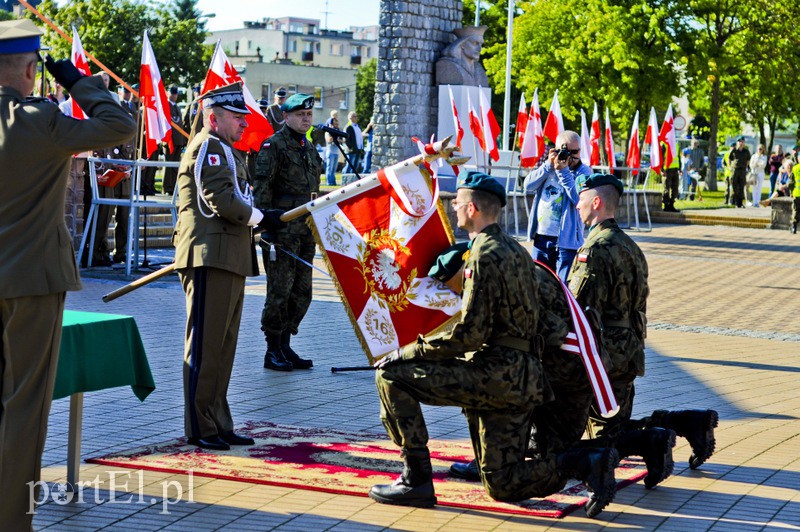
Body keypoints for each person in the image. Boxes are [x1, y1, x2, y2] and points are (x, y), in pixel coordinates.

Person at [369, 171, 619, 518]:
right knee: (503, 483)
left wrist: (408, 351)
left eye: (456, 202)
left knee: (392, 376)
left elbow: (470, 333)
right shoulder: (516, 251)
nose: (453, 206)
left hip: (496, 374)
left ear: (472, 209)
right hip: (524, 378)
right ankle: (584, 462)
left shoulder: (483, 254)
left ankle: (416, 480)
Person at [0, 19, 136, 529]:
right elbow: (119, 125)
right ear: (33, 70)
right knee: (24, 407)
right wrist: (77, 80)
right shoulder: (41, 120)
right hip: (32, 280)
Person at [569, 173, 718, 474]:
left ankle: (655, 439)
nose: (577, 206)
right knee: (614, 423)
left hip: (603, 354)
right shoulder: (631, 247)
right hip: (629, 349)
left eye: (581, 200)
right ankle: (690, 422)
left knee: (598, 439)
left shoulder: (594, 250)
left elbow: (580, 308)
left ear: (596, 202)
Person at [173, 82, 286, 451]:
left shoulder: (226, 148)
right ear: (213, 117)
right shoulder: (209, 145)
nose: (243, 123)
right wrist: (259, 217)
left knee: (223, 347)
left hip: (228, 256)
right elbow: (220, 198)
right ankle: (199, 426)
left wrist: (258, 217)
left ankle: (218, 421)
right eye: (236, 117)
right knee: (206, 347)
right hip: (209, 256)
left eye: (243, 117)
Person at [254, 93, 323, 371]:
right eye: (300, 115)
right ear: (286, 116)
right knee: (279, 291)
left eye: (309, 115)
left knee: (302, 291)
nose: (306, 119)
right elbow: (262, 188)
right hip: (281, 230)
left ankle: (286, 344)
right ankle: (272, 350)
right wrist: (266, 225)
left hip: (306, 230)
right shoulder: (274, 145)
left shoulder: (309, 146)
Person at [522, 130, 591, 282]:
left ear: (580, 151)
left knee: (563, 287)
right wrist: (548, 165)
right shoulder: (549, 168)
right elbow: (527, 186)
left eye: (575, 151)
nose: (570, 156)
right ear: (556, 150)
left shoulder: (584, 172)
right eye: (565, 151)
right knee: (539, 283)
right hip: (542, 238)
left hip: (567, 242)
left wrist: (564, 172)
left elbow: (579, 200)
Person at [162, 85, 188, 195]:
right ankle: (167, 187)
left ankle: (173, 186)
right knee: (168, 165)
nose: (174, 95)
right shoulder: (165, 105)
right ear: (167, 93)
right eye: (172, 93)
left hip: (178, 140)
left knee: (175, 165)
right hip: (170, 140)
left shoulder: (176, 106)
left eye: (175, 93)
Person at [727, 137, 751, 208]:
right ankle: (735, 201)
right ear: (737, 143)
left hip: (742, 170)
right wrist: (730, 167)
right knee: (734, 186)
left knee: (741, 186)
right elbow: (729, 158)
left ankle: (740, 203)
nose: (741, 143)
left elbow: (748, 160)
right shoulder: (734, 150)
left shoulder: (746, 151)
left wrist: (745, 167)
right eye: (739, 142)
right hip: (735, 170)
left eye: (742, 142)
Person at [661, 140, 681, 212]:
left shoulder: (676, 144)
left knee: (675, 188)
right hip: (667, 170)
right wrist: (662, 169)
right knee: (666, 188)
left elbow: (678, 157)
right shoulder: (664, 144)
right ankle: (666, 205)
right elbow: (661, 157)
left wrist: (680, 168)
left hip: (675, 170)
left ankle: (672, 205)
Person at [324, 115, 341, 186]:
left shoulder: (337, 132)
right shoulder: (327, 132)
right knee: (329, 168)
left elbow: (341, 140)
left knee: (334, 169)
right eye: (334, 123)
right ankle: (329, 182)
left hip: (336, 152)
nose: (335, 125)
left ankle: (333, 182)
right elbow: (329, 139)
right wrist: (332, 131)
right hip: (330, 152)